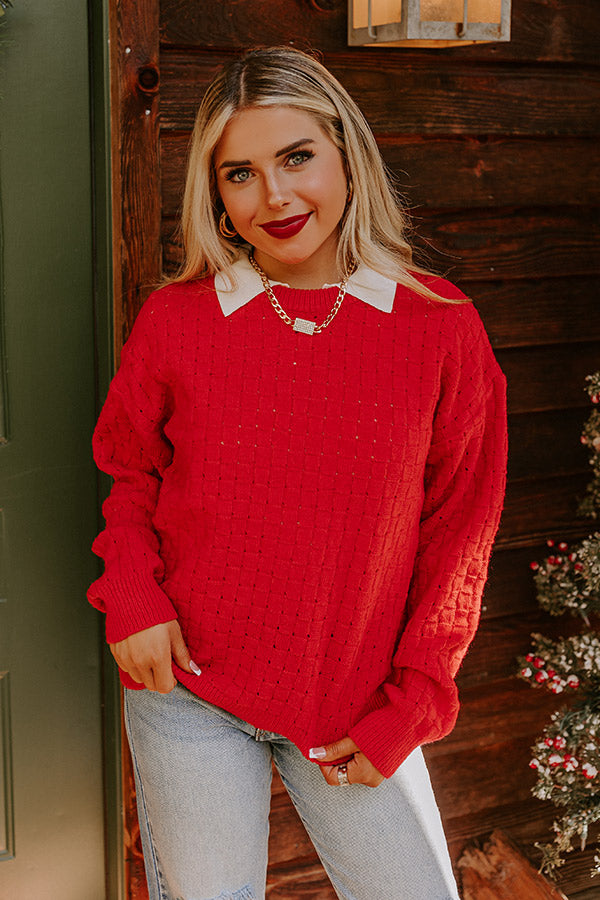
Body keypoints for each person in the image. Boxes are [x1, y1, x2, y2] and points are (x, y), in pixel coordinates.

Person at [88, 46, 507, 900]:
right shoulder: (178, 319)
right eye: (240, 173)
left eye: (296, 157)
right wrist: (131, 592)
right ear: (216, 194)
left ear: (346, 153)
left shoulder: (440, 327)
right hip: (188, 692)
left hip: (356, 699)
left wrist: (414, 702)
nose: (274, 196)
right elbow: (129, 469)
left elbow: (460, 530)